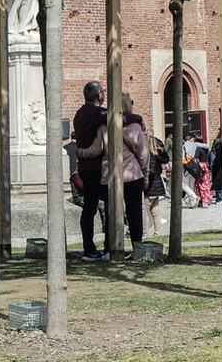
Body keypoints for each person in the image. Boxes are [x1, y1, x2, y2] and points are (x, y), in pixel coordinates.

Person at [84, 92, 148, 257]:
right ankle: (137, 248)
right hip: (133, 175)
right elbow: (143, 154)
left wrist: (80, 152)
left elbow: (96, 150)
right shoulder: (136, 127)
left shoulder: (104, 126)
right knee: (135, 214)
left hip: (109, 177)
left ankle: (110, 249)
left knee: (111, 214)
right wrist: (145, 175)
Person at [72, 81, 111, 260]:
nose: (104, 95)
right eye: (102, 92)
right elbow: (118, 119)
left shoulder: (79, 113)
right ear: (99, 95)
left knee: (88, 209)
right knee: (110, 207)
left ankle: (89, 248)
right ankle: (110, 246)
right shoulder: (97, 113)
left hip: (84, 168)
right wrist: (136, 118)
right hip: (98, 167)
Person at [144, 135, 169, 237]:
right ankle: (157, 232)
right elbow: (165, 159)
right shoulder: (158, 155)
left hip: (150, 187)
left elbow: (151, 171)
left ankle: (145, 233)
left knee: (145, 211)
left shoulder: (150, 156)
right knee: (156, 211)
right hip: (157, 185)